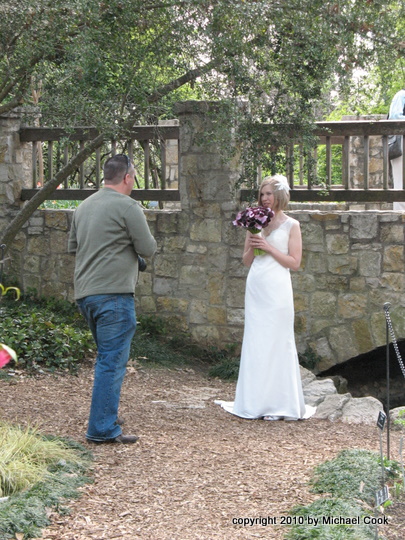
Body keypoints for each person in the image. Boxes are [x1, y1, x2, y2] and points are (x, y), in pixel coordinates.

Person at [68, 154, 157, 443]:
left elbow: (75, 247)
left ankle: (106, 415)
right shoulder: (127, 206)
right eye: (134, 177)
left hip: (86, 295)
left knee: (107, 358)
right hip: (115, 296)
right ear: (127, 177)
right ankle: (102, 429)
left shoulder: (83, 206)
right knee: (112, 362)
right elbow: (148, 248)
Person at [216, 174, 315, 420]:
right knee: (256, 340)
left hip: (278, 288)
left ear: (280, 195)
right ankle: (255, 401)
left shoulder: (292, 225)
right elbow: (246, 261)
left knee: (278, 340)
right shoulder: (255, 221)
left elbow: (294, 262)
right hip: (257, 286)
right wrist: (253, 243)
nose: (265, 198)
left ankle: (280, 402)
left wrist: (268, 247)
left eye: (269, 193)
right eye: (262, 194)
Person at [388, 89, 405, 211]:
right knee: (400, 181)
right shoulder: (402, 95)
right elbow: (395, 117)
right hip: (401, 142)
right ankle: (400, 213)